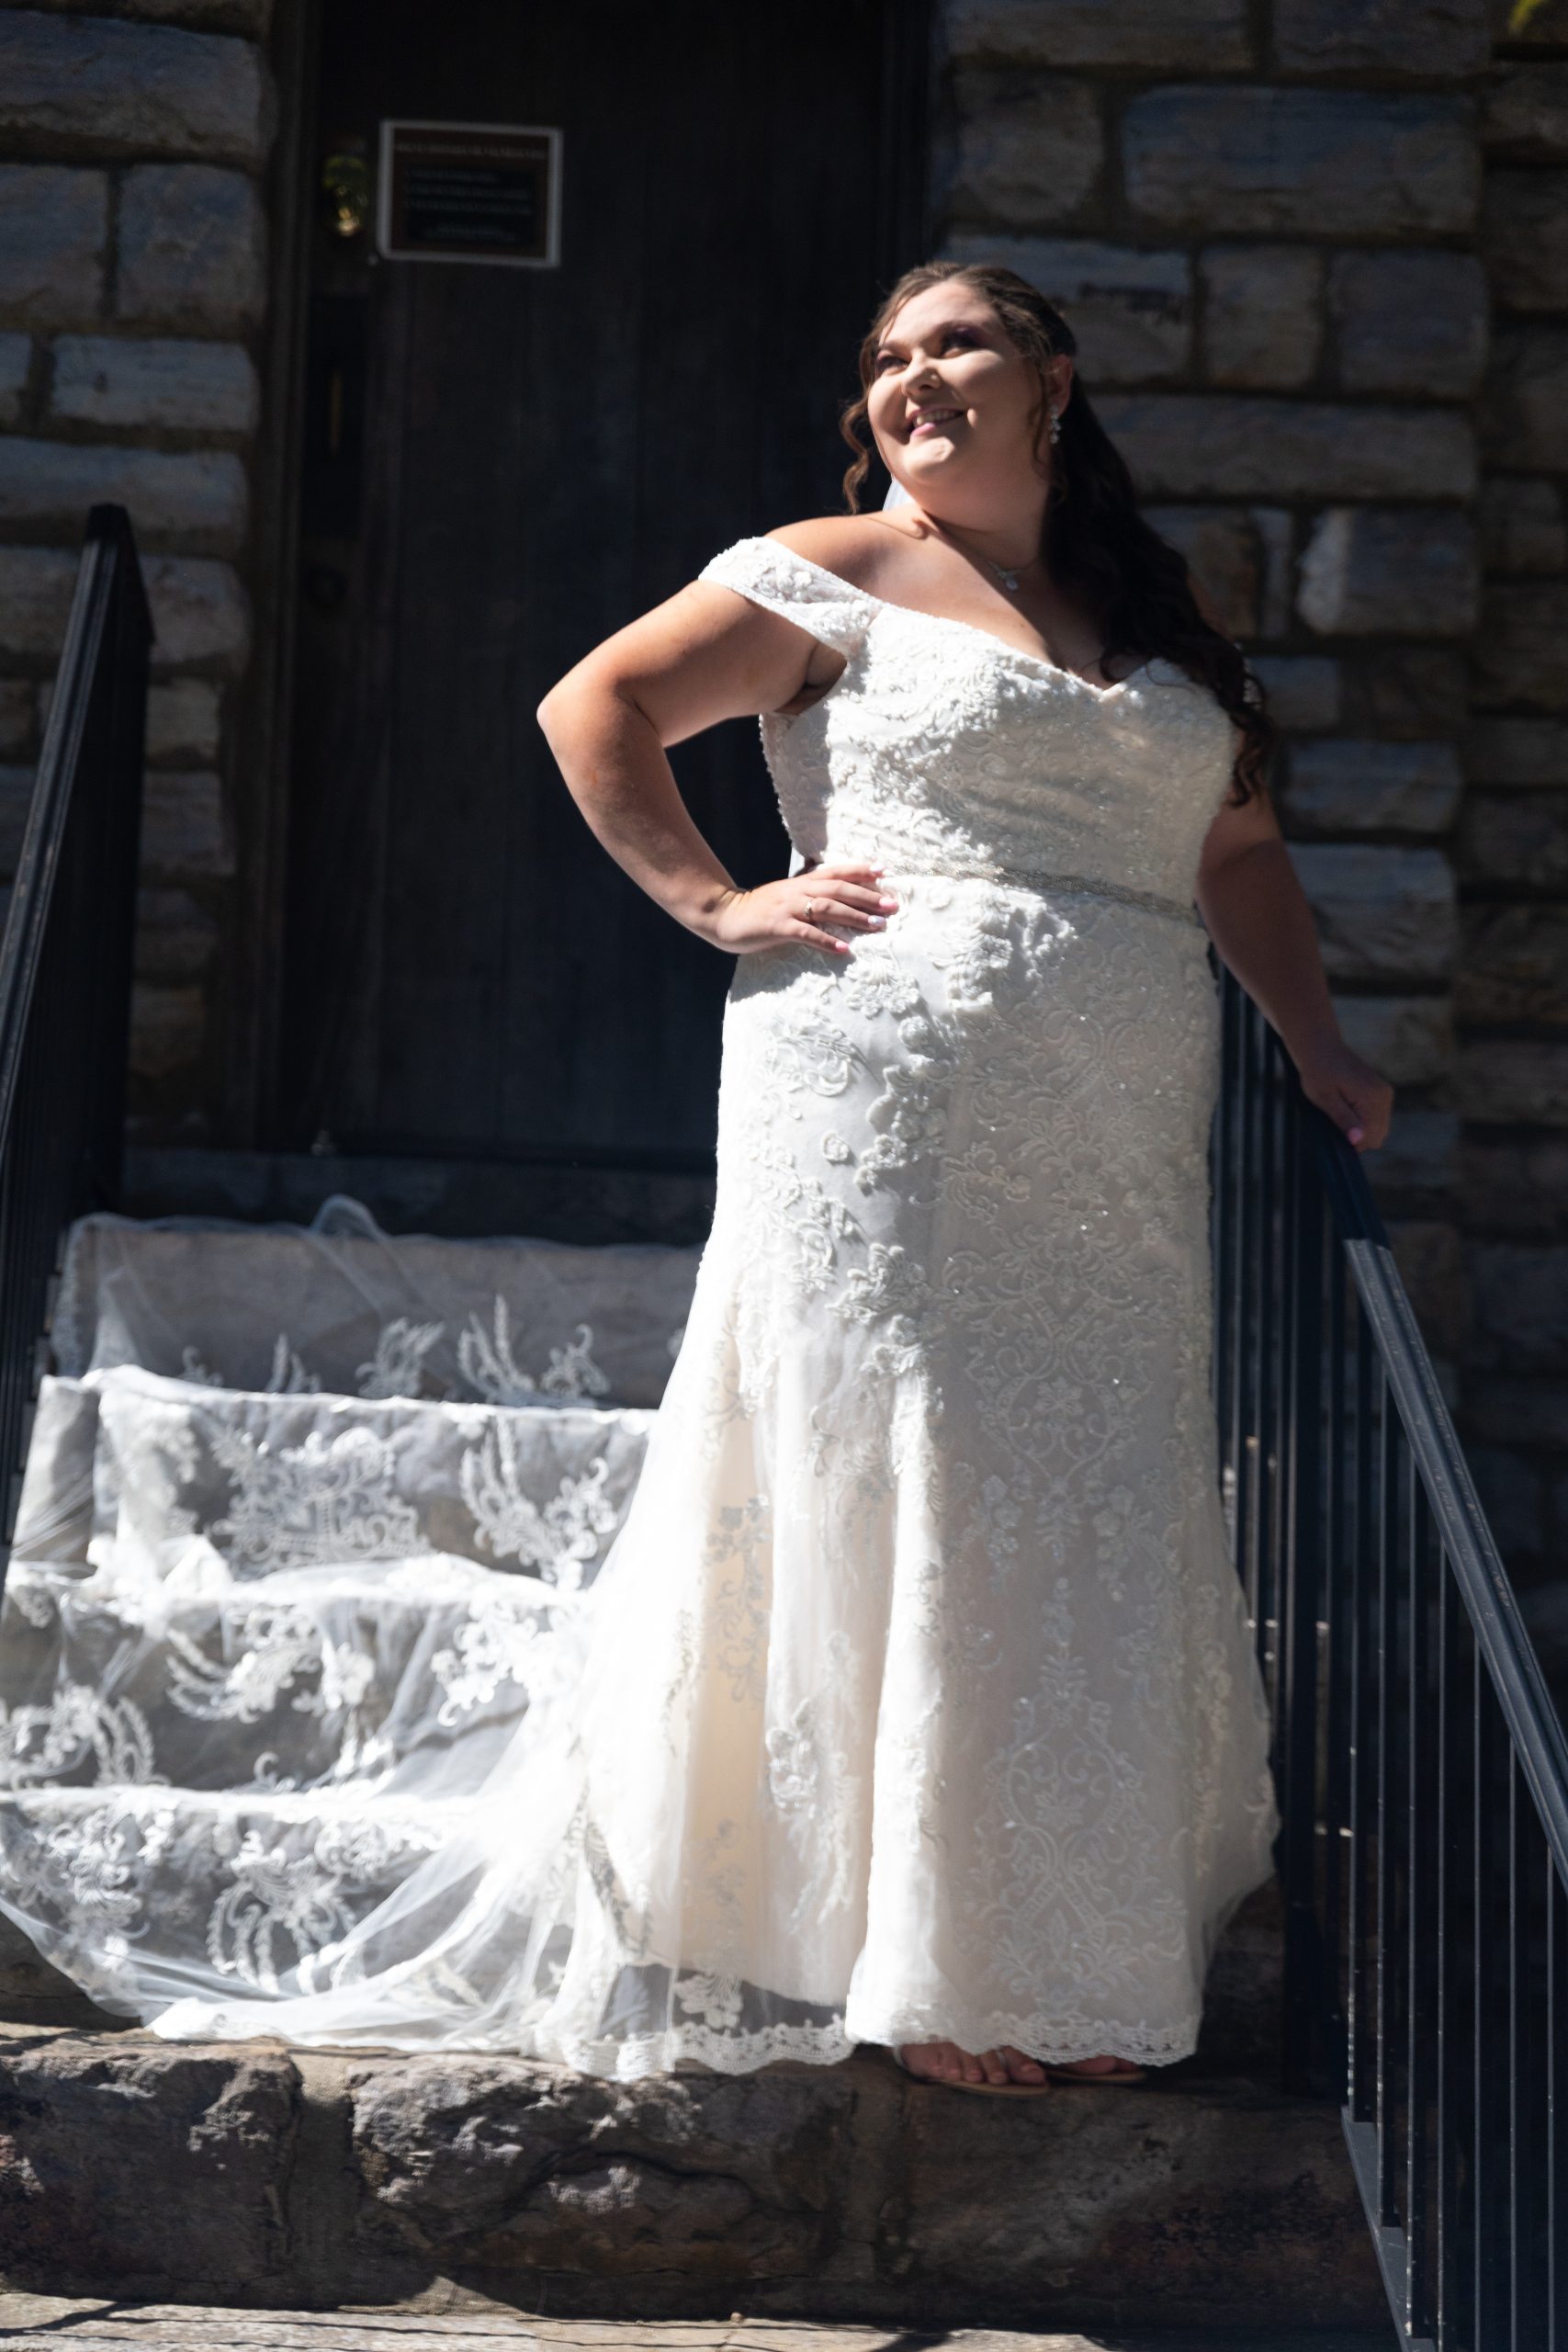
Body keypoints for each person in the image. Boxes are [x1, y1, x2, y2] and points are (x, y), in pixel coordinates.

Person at [146, 259, 1392, 2087]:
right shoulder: (828, 568)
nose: (913, 379)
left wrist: (1317, 1040)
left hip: (1117, 1131)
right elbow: (596, 706)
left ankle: (1067, 1951)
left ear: (1052, 379)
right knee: (922, 1465)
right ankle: (921, 1955)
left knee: (1090, 1481)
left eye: (954, 344)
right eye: (886, 359)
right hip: (886, 1105)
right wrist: (716, 900)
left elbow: (1239, 859)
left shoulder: (1154, 611)